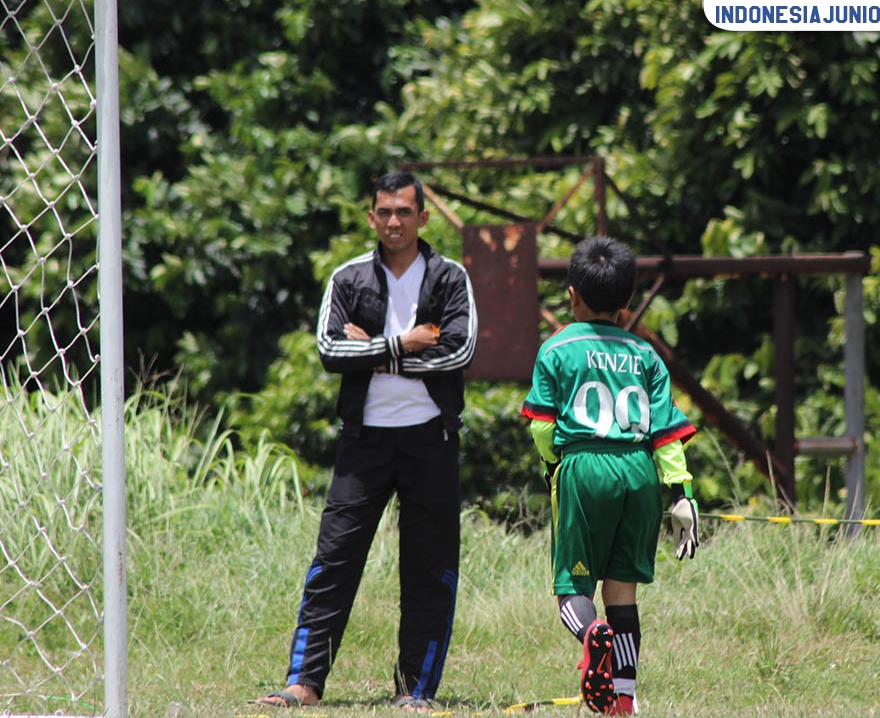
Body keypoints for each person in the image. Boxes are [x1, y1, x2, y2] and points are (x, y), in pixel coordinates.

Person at [255, 172, 477, 712]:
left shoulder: (450, 278)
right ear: (371, 217)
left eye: (405, 211)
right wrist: (403, 344)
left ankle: (416, 690)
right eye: (385, 212)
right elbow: (331, 349)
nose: (394, 221)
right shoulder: (349, 278)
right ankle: (302, 684)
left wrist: (374, 351)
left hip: (432, 439)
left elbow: (458, 351)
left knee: (428, 567)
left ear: (423, 217)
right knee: (335, 559)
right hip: (364, 441)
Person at [520, 236, 700, 716]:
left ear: (572, 293)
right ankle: (624, 698)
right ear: (627, 302)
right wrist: (681, 495)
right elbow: (666, 433)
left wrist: (555, 465)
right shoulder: (645, 355)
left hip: (584, 466)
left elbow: (541, 427)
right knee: (622, 594)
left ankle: (590, 633)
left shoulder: (557, 348)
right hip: (640, 472)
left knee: (572, 590)